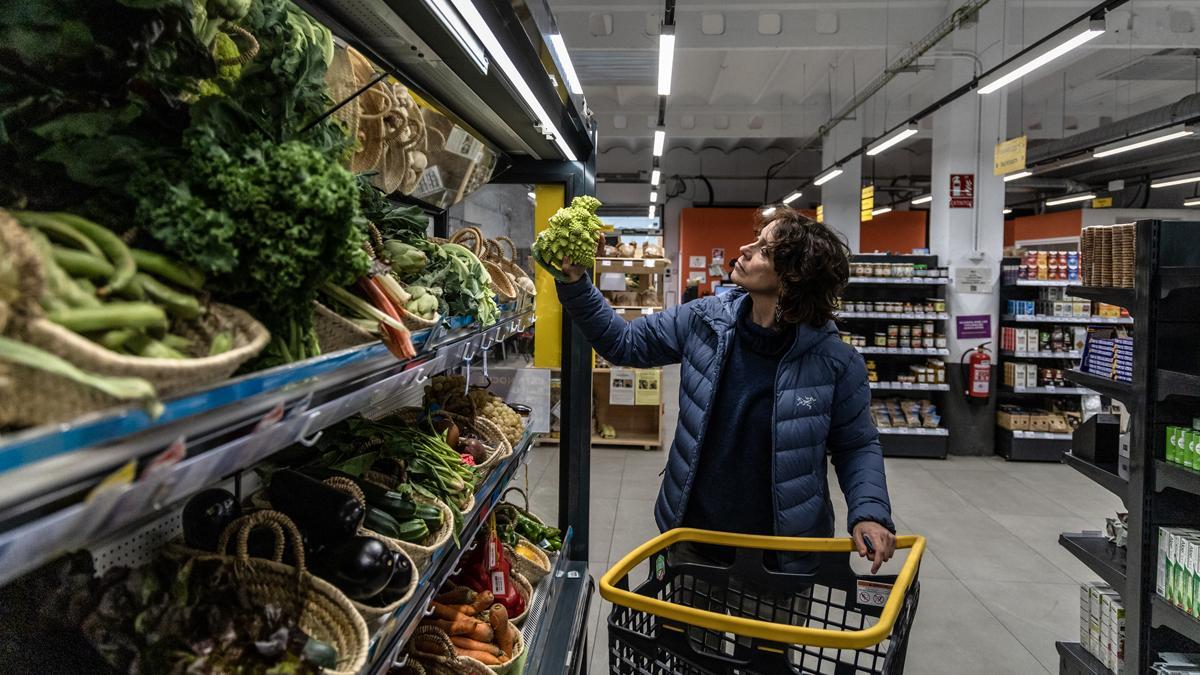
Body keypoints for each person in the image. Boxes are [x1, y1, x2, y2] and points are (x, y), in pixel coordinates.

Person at [555, 206, 895, 576]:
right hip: (693, 539)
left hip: (780, 554)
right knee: (691, 636)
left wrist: (870, 512)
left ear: (795, 276)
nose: (746, 248)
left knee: (767, 637)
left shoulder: (835, 362)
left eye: (765, 249)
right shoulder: (703, 320)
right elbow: (624, 343)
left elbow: (857, 444)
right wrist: (576, 283)